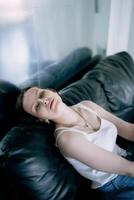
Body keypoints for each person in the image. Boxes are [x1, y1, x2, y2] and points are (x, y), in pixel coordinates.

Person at [16, 86, 134, 199]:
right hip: (117, 184)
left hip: (127, 157)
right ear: (41, 119)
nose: (43, 101)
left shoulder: (87, 106)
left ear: (51, 91)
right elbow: (127, 169)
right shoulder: (67, 139)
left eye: (41, 94)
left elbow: (127, 129)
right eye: (37, 106)